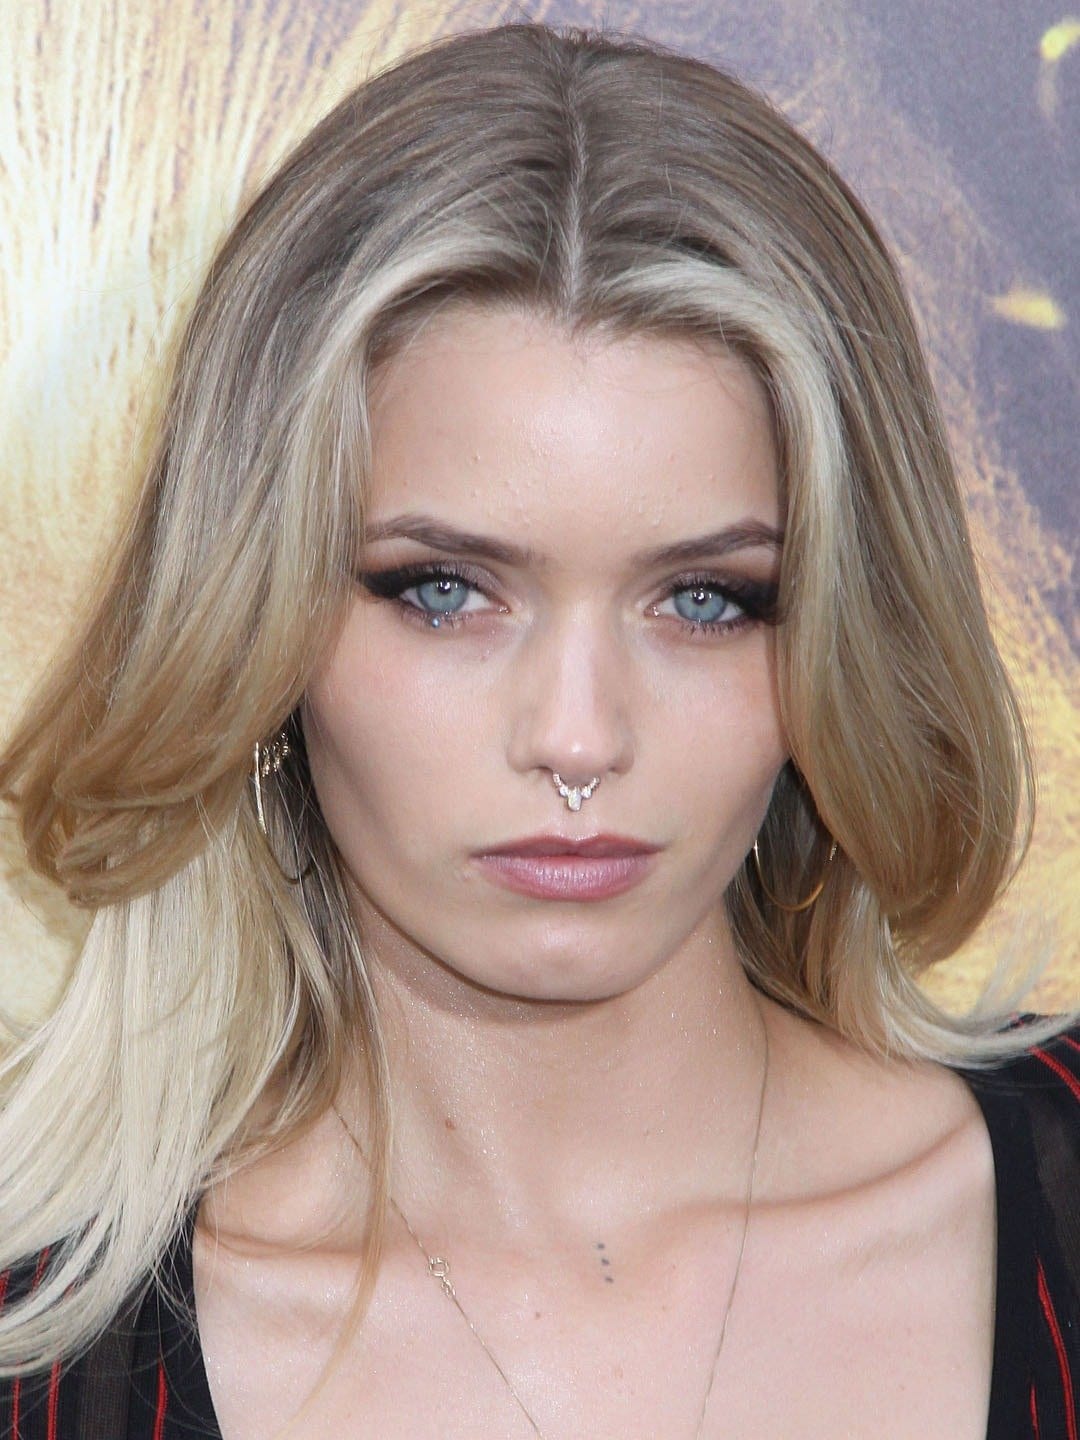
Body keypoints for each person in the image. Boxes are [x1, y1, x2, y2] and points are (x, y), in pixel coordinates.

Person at [0, 19, 1077, 1440]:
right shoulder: (45, 1366)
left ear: (837, 641)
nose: (578, 739)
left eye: (706, 600)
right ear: (254, 631)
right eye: (445, 591)